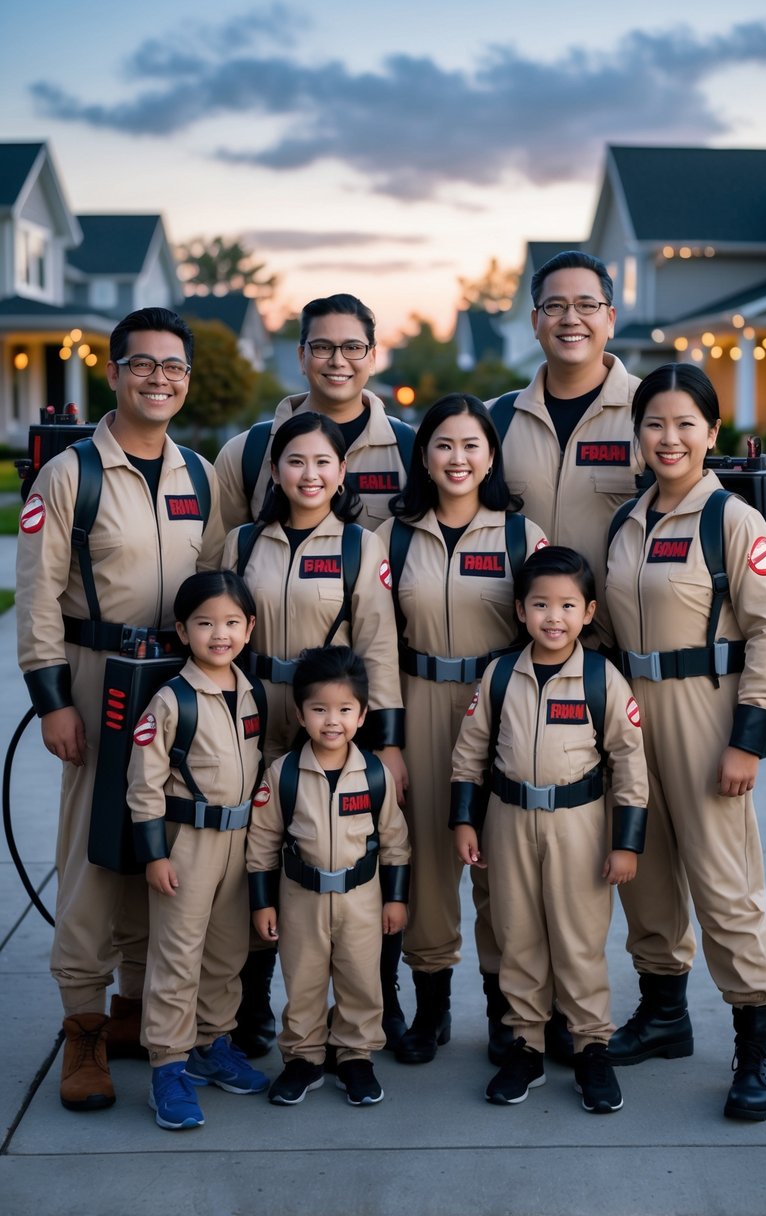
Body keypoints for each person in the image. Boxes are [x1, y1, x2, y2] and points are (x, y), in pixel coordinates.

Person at [16, 307, 225, 1111]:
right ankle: (83, 1027)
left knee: (155, 849)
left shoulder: (198, 476)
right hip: (98, 682)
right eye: (143, 364)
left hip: (176, 685)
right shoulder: (72, 473)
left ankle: (137, 1012)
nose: (160, 379)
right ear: (114, 372)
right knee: (94, 858)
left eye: (174, 367)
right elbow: (36, 597)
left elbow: (211, 591)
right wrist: (51, 702)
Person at [604, 363, 766, 1122]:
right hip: (633, 716)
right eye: (654, 423)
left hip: (707, 712)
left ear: (711, 433)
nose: (669, 437)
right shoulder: (627, 520)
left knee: (723, 884)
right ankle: (664, 1014)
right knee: (643, 873)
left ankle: (756, 1043)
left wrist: (747, 739)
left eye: (686, 423)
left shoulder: (730, 521)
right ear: (638, 432)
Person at [221, 411, 406, 1054]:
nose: (310, 474)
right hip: (251, 716)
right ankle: (252, 1008)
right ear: (275, 469)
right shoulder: (244, 542)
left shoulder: (361, 546)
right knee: (257, 848)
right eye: (296, 461)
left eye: (323, 462)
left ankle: (367, 1017)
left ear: (342, 471)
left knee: (339, 850)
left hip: (330, 724)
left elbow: (379, 647)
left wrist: (385, 740)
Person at [376, 393, 548, 1065]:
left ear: (491, 455)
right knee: (424, 858)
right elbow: (376, 641)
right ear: (423, 454)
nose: (457, 458)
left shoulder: (519, 536)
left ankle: (507, 1010)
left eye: (472, 445)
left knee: (499, 859)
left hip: (496, 706)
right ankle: (432, 1006)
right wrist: (387, 736)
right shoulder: (391, 536)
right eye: (444, 445)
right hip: (416, 697)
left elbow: (548, 631)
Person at [450, 546, 648, 1113]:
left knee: (579, 939)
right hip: (508, 821)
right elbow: (470, 755)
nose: (552, 618)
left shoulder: (600, 679)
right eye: (540, 605)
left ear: (589, 613)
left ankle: (590, 1048)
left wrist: (625, 843)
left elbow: (630, 764)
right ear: (520, 610)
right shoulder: (499, 676)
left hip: (579, 825)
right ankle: (525, 1046)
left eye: (566, 606)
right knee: (517, 936)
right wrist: (465, 819)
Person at [127, 571, 269, 1130]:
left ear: (250, 628)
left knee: (227, 951)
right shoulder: (172, 700)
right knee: (178, 954)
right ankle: (168, 1064)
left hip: (239, 842)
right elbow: (144, 785)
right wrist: (154, 854)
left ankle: (213, 1044)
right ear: (182, 631)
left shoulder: (251, 690)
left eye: (232, 623)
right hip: (187, 845)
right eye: (205, 624)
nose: (220, 634)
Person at [247, 646, 410, 1107]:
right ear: (300, 714)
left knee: (361, 978)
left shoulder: (375, 775)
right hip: (301, 899)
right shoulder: (283, 775)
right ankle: (303, 1058)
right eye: (319, 710)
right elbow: (261, 844)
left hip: (362, 899)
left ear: (362, 716)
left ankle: (355, 1057)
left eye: (344, 710)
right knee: (303, 980)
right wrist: (263, 902)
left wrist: (395, 900)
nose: (331, 721)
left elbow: (396, 842)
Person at [490, 250, 644, 647]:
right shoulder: (493, 421)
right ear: (535, 322)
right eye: (554, 306)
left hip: (619, 654)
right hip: (515, 655)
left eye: (587, 305)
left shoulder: (653, 414)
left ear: (609, 319)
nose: (570, 318)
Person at [215, 293, 413, 533]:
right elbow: (220, 559)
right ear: (301, 357)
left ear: (372, 358)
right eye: (322, 347)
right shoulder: (245, 454)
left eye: (352, 347)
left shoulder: (410, 450)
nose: (338, 360)